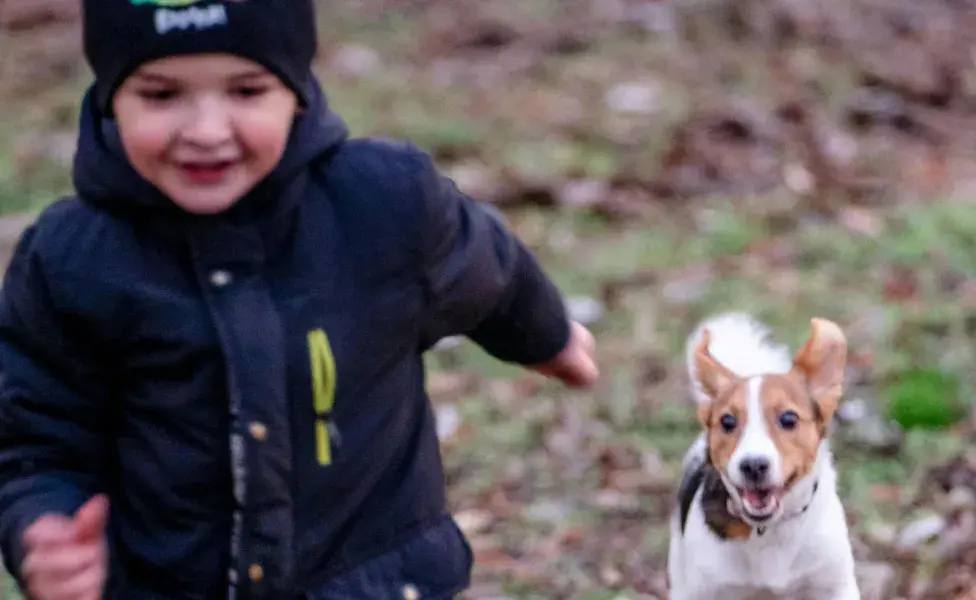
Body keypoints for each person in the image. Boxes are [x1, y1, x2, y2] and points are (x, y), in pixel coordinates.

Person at [0, 0, 598, 599]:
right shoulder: (70, 260)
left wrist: (549, 337)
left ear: (297, 92)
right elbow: (35, 430)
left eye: (247, 91)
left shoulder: (384, 206)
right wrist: (42, 527)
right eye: (160, 95)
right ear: (110, 99)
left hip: (374, 581)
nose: (207, 130)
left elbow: (487, 269)